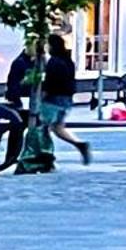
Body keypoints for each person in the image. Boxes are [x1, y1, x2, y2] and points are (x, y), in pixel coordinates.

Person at [40, 33, 91, 164]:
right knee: (57, 127)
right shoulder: (68, 61)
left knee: (43, 127)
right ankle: (79, 144)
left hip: (53, 99)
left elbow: (50, 82)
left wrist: (43, 95)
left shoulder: (54, 62)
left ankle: (44, 155)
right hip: (67, 98)